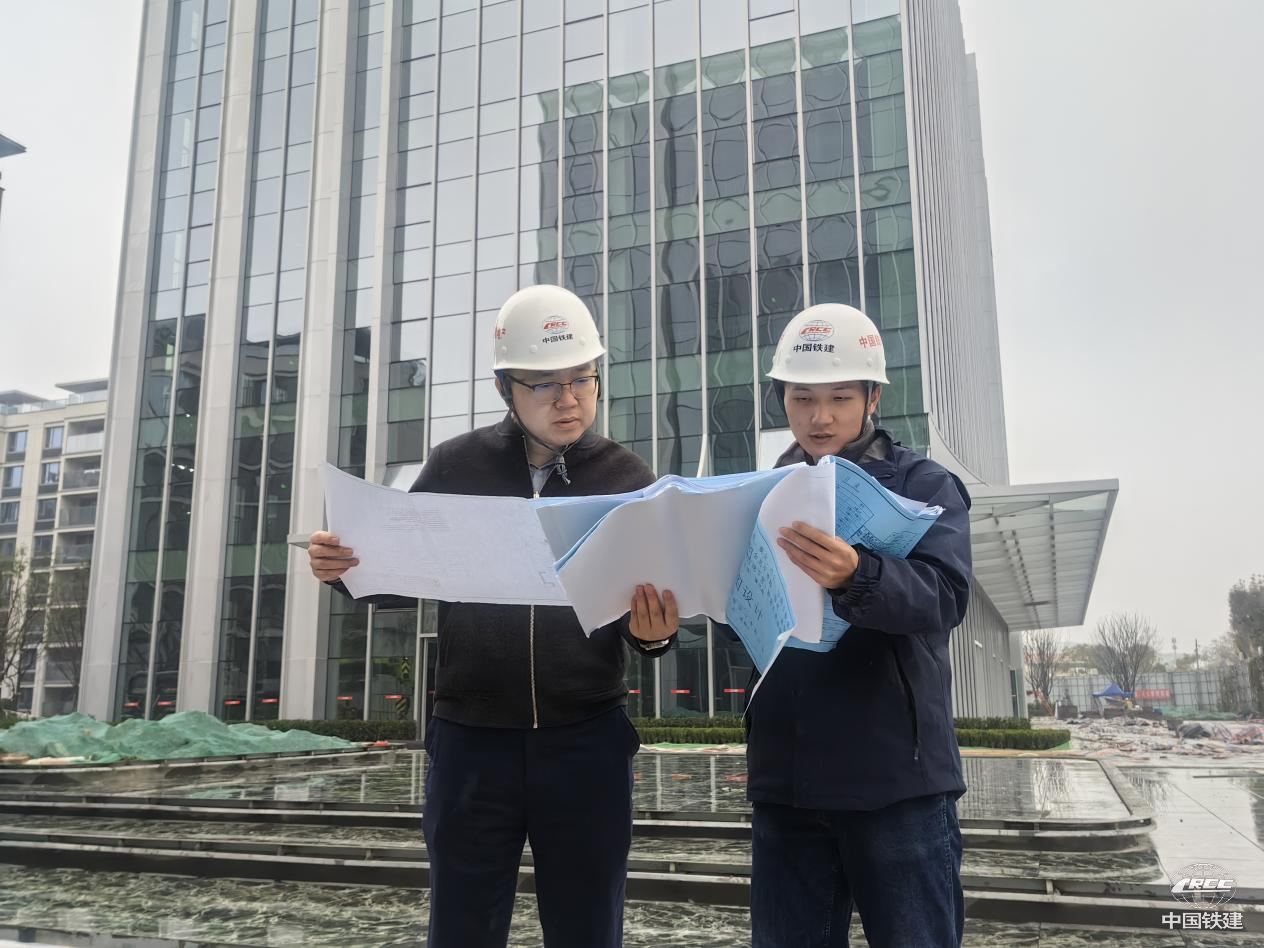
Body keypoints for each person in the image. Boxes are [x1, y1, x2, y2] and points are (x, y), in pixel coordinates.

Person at [307, 284, 679, 948]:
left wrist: (655, 637)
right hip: (472, 743)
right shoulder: (457, 465)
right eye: (545, 384)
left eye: (582, 379)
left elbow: (639, 615)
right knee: (463, 925)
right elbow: (399, 577)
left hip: (586, 740)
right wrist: (343, 568)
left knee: (589, 926)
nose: (568, 399)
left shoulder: (627, 478)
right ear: (506, 387)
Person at [746, 303, 973, 947]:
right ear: (783, 399)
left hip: (895, 783)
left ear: (872, 398)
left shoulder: (925, 486)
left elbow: (945, 596)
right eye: (803, 398)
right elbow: (752, 625)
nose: (820, 416)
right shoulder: (762, 493)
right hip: (787, 784)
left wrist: (859, 574)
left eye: (840, 398)